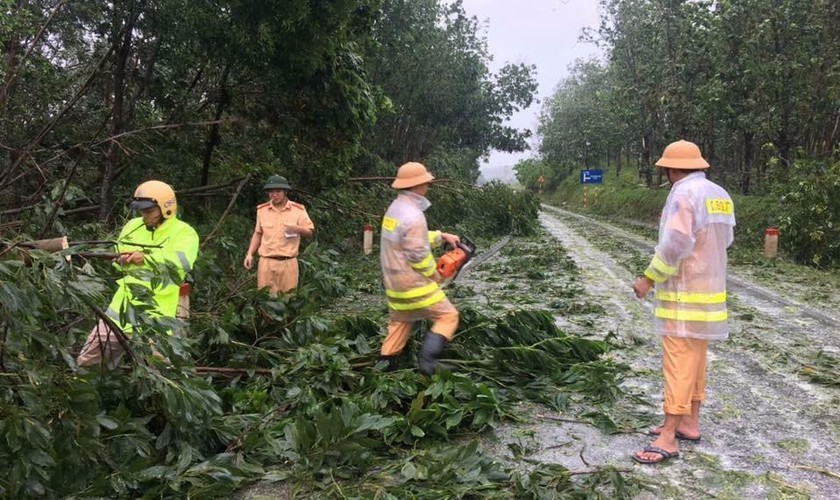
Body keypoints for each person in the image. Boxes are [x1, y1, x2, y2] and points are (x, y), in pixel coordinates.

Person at [632, 140, 736, 464]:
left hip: (682, 293)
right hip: (709, 292)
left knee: (677, 362)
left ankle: (667, 437)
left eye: (666, 170)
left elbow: (675, 243)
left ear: (672, 169)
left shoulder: (683, 193)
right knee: (696, 358)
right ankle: (689, 423)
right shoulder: (719, 195)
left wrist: (648, 278)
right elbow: (727, 240)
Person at [77, 180, 200, 369]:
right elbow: (119, 258)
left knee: (163, 371)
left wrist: (146, 258)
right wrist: (121, 261)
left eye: (149, 211)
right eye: (141, 211)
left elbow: (182, 263)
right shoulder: (133, 226)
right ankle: (82, 394)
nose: (144, 215)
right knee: (88, 362)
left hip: (160, 316)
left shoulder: (184, 233)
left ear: (165, 208)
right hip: (122, 309)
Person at [379, 161, 462, 375]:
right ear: (417, 185)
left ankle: (385, 368)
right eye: (425, 183)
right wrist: (434, 274)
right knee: (448, 316)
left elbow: (410, 239)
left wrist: (441, 236)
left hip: (393, 284)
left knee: (400, 322)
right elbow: (417, 253)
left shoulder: (395, 209)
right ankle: (428, 362)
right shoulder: (414, 216)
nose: (427, 187)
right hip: (413, 284)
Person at [243, 174, 314, 294]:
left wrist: (297, 229)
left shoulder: (298, 210)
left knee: (288, 299)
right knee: (266, 299)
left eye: (278, 191)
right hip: (266, 262)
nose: (274, 195)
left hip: (288, 262)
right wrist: (249, 254)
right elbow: (258, 233)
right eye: (271, 192)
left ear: (285, 191)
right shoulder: (262, 210)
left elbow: (310, 232)